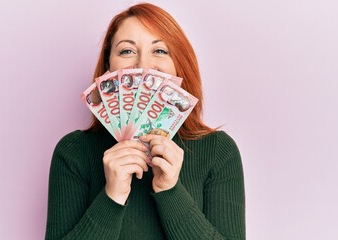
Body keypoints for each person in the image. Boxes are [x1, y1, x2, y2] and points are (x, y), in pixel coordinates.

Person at [45, 3, 245, 240]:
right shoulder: (74, 152)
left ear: (178, 64)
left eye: (160, 51)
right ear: (109, 67)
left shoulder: (218, 151)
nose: (143, 66)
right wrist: (112, 196)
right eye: (127, 51)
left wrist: (169, 190)